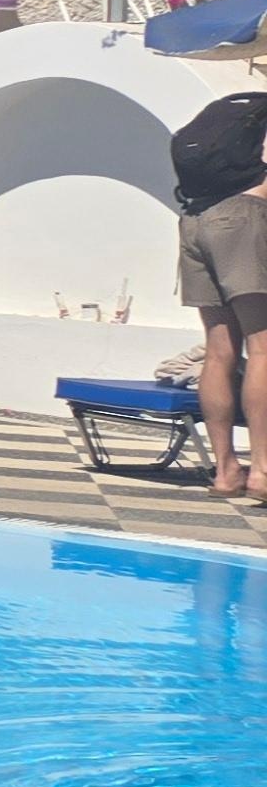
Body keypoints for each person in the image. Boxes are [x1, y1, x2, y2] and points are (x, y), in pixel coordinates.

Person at [172, 88, 267, 497]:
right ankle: (263, 472)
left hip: (195, 219)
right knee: (263, 347)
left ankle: (226, 473)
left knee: (219, 349)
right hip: (243, 218)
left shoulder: (235, 111)